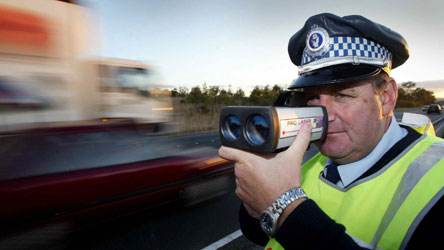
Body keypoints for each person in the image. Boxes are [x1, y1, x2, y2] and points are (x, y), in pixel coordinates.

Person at [218, 13, 444, 250]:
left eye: (342, 95)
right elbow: (262, 234)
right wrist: (257, 202)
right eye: (313, 98)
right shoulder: (305, 165)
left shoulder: (436, 183)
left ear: (386, 98)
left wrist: (285, 208)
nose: (325, 116)